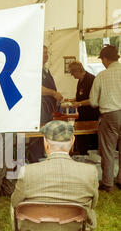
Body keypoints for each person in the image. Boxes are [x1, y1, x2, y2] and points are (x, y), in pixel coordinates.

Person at [12, 120, 99, 231]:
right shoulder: (90, 172)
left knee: (15, 207)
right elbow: (93, 204)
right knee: (88, 209)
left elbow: (15, 202)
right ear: (72, 141)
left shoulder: (27, 171)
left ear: (45, 143)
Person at [71, 45, 121, 192]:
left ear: (105, 59)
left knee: (108, 150)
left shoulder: (101, 75)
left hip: (110, 114)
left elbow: (93, 101)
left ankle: (107, 183)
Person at [28, 45, 64, 163]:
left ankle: (41, 160)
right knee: (37, 137)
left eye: (46, 53)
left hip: (47, 110)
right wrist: (53, 93)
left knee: (44, 137)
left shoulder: (45, 70)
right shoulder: (34, 70)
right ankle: (35, 162)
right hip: (40, 110)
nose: (46, 55)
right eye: (43, 53)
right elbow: (35, 88)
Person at [68, 61, 99, 154]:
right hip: (83, 116)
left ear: (77, 71)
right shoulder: (80, 81)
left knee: (91, 142)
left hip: (91, 116)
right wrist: (72, 100)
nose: (72, 75)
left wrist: (79, 103)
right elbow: (81, 95)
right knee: (81, 140)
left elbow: (94, 99)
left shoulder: (91, 80)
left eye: (72, 73)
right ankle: (82, 155)